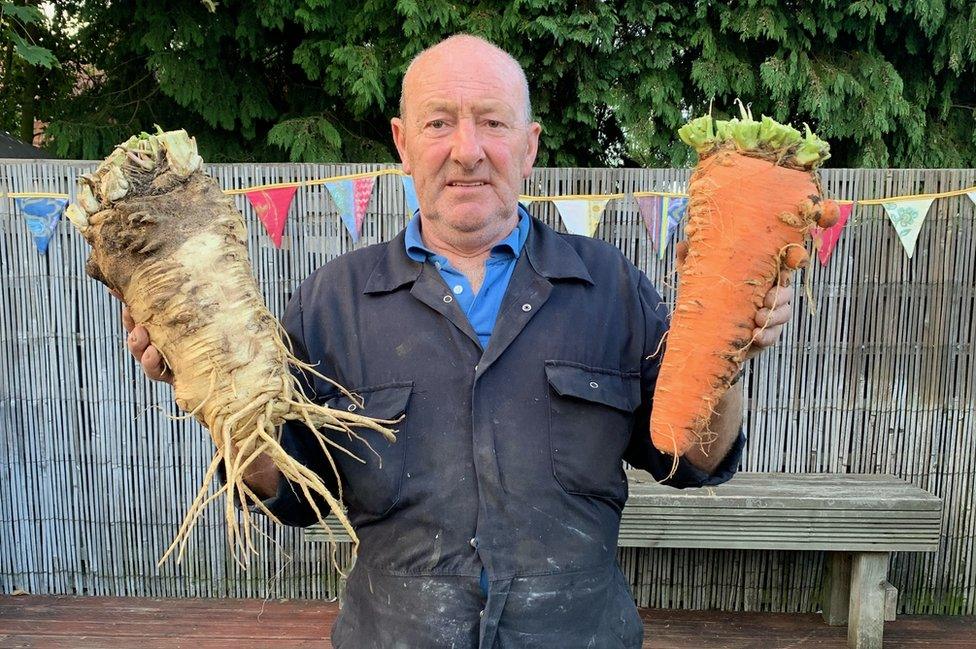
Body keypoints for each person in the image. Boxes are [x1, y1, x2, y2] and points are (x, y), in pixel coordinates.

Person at [123, 34, 793, 649]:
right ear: (403, 141)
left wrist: (729, 349)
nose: (467, 149)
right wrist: (213, 384)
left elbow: (692, 461)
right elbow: (292, 495)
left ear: (528, 146)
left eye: (493, 123)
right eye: (439, 121)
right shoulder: (335, 300)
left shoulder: (608, 285)